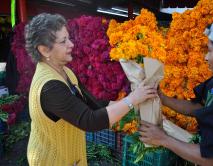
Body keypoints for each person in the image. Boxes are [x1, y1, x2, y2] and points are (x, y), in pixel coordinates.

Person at [25, 13, 157, 166]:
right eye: (63, 41)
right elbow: (90, 121)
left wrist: (134, 102)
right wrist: (132, 100)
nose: (71, 44)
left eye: (68, 38)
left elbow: (92, 104)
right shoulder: (49, 87)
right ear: (44, 50)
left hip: (70, 157)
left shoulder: (65, 72)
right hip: (51, 160)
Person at [139, 19, 213, 166]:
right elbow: (200, 107)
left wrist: (163, 139)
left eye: (209, 51)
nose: (206, 57)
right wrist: (163, 98)